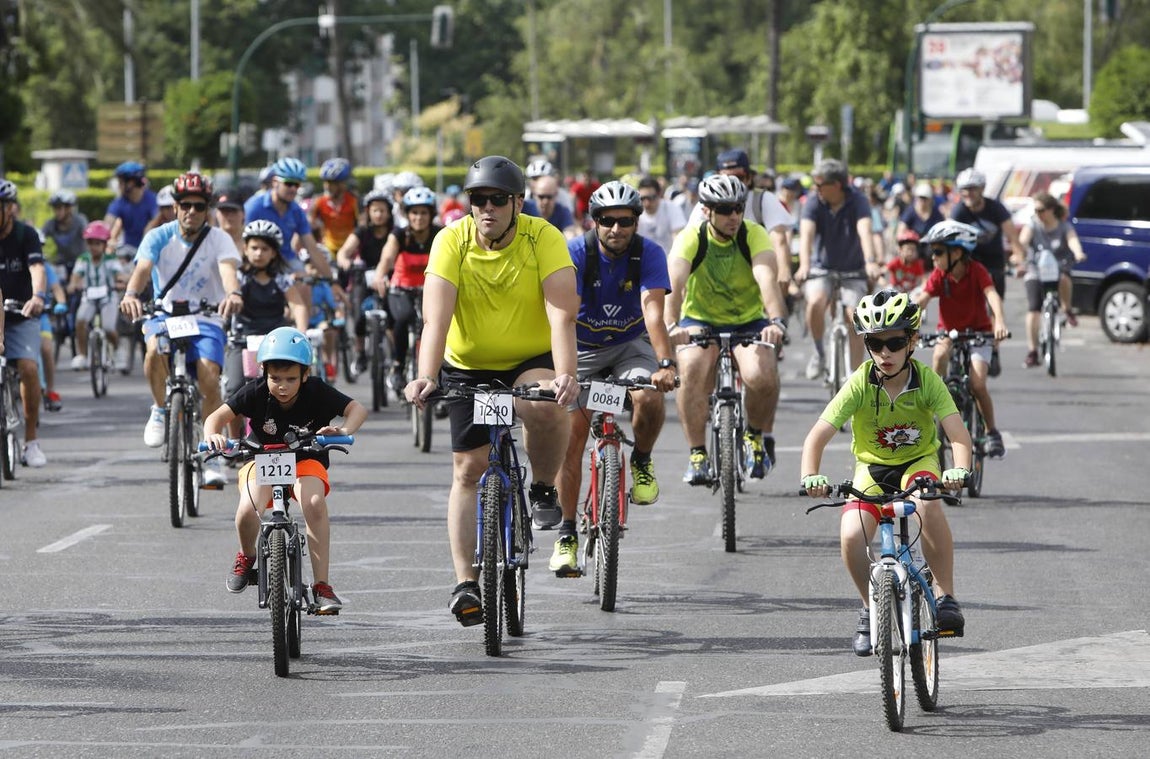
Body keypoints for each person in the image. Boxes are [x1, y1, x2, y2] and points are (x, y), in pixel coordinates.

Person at [403, 155, 579, 627]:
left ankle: (543, 487)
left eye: (497, 200)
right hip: (468, 368)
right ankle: (465, 583)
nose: (486, 208)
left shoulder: (544, 237)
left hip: (530, 359)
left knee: (539, 407)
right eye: (477, 199)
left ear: (517, 203)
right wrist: (426, 375)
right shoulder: (451, 241)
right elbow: (435, 320)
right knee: (468, 469)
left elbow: (561, 315)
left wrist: (565, 374)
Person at [800, 288, 970, 656]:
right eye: (875, 343)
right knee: (849, 536)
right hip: (872, 470)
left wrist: (959, 470)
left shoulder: (927, 381)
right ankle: (869, 608)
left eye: (894, 342)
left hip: (917, 464)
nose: (885, 353)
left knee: (926, 504)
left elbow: (958, 436)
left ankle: (945, 597)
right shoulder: (860, 382)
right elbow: (817, 436)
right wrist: (810, 475)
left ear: (912, 341)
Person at [551, 180, 678, 576]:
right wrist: (565, 374)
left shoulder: (649, 253)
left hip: (630, 345)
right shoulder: (575, 253)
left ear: (637, 222)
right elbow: (564, 317)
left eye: (625, 221)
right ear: (595, 221)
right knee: (570, 437)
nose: (616, 229)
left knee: (649, 397)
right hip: (582, 346)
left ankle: (641, 459)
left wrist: (665, 364)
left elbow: (653, 312)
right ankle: (567, 535)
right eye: (607, 220)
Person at [205, 326, 367, 613]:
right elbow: (216, 417)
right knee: (246, 510)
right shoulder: (255, 391)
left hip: (305, 458)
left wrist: (344, 429)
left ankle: (321, 586)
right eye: (275, 378)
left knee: (314, 504)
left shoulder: (317, 390)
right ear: (264, 372)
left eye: (291, 379)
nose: (282, 385)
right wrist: (213, 435)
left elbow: (357, 409)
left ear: (305, 374)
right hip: (261, 458)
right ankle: (247, 555)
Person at [119, 172, 244, 488]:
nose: (191, 211)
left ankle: (213, 455)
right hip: (165, 315)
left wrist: (233, 294)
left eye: (199, 206)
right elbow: (142, 271)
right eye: (185, 204)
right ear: (174, 207)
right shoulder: (158, 236)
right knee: (152, 352)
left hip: (206, 316)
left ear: (208, 209)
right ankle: (160, 410)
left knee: (208, 375)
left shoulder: (219, 239)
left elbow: (229, 272)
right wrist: (131, 295)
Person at [665, 174, 788, 484]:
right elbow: (674, 285)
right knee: (691, 367)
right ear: (706, 211)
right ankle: (697, 453)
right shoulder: (692, 238)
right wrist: (671, 325)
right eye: (725, 209)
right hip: (699, 320)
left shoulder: (753, 234)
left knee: (761, 373)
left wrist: (775, 320)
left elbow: (766, 279)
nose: (734, 216)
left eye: (738, 208)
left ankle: (754, 436)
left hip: (748, 320)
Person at [913, 220, 1009, 459]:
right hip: (949, 332)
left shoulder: (976, 271)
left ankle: (991, 431)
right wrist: (908, 324)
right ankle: (937, 401)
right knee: (939, 354)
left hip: (979, 333)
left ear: (956, 252)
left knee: (977, 384)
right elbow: (922, 300)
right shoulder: (939, 275)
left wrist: (999, 321)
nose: (932, 258)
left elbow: (992, 295)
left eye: (937, 252)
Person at [797, 159, 878, 381]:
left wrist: (871, 261)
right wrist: (804, 265)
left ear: (837, 185)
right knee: (815, 301)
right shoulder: (814, 202)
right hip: (821, 267)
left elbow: (865, 230)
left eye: (820, 184)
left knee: (855, 318)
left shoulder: (858, 200)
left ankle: (856, 377)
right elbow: (806, 236)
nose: (816, 188)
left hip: (853, 270)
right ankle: (819, 352)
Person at [223, 220, 310, 412]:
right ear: (245, 249)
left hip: (277, 345)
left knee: (290, 390)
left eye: (265, 249)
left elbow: (298, 306)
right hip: (241, 340)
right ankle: (232, 439)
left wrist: (302, 333)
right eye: (254, 248)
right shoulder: (238, 278)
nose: (259, 253)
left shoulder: (281, 279)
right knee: (234, 390)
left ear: (274, 253)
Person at [949, 168, 1025, 378]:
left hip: (993, 264)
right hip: (967, 264)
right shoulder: (959, 212)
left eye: (972, 190)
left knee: (994, 306)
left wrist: (1018, 258)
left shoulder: (995, 208)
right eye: (964, 191)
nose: (968, 195)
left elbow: (1012, 235)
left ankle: (994, 349)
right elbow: (949, 237)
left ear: (982, 189)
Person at [690, 149, 793, 293]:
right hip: (717, 279)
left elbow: (779, 238)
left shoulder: (763, 199)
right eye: (724, 210)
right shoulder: (706, 205)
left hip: (758, 275)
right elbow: (691, 241)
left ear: (749, 178)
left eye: (739, 176)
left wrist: (783, 271)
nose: (734, 182)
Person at [0, 178, 50, 466]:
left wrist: (38, 297)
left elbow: (36, 267)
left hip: (21, 315)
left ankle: (31, 441)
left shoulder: (25, 235)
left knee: (29, 368)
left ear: (8, 209)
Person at [375, 186, 442, 391]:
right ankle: (398, 365)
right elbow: (387, 256)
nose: (419, 217)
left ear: (431, 214)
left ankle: (437, 375)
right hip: (401, 288)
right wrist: (380, 274)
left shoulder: (440, 234)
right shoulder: (399, 235)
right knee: (403, 318)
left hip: (430, 290)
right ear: (407, 214)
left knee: (438, 324)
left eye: (423, 212)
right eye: (414, 212)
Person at [1019, 192, 1087, 367]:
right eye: (1035, 210)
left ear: (1051, 210)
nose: (1038, 214)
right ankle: (1032, 351)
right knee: (1034, 309)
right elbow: (1023, 241)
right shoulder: (1033, 225)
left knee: (1064, 278)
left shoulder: (1063, 227)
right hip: (1036, 269)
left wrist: (1078, 253)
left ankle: (1067, 309)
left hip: (1058, 268)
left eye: (1040, 210)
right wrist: (1019, 255)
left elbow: (1073, 241)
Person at [243, 158, 337, 281]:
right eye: (288, 183)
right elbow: (242, 243)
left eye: (297, 184)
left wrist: (331, 281)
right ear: (275, 182)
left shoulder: (297, 211)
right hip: (258, 260)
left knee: (306, 283)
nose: (293, 189)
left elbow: (312, 247)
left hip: (287, 261)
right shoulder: (254, 207)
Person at [337, 188, 394, 373]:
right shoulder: (361, 232)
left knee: (393, 314)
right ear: (368, 212)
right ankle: (360, 352)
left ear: (389, 212)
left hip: (389, 278)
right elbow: (343, 252)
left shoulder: (395, 233)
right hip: (363, 277)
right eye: (375, 210)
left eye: (382, 210)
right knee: (359, 315)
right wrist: (345, 261)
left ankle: (394, 357)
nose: (379, 214)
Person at [67, 221, 122, 371]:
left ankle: (117, 350)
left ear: (104, 245)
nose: (93, 247)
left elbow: (120, 276)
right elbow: (76, 277)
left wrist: (122, 282)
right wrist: (73, 285)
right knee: (80, 321)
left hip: (108, 297)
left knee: (109, 327)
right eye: (90, 243)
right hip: (89, 297)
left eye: (97, 243)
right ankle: (83, 355)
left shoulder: (111, 259)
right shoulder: (83, 259)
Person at [308, 157, 360, 255]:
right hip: (329, 249)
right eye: (326, 182)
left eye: (332, 183)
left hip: (352, 249)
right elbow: (308, 225)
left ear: (343, 184)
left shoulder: (354, 201)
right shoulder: (319, 202)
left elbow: (362, 227)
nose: (327, 186)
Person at [104, 161, 159, 250]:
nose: (118, 186)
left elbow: (156, 221)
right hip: (128, 252)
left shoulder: (152, 200)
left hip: (151, 248)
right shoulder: (120, 202)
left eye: (121, 182)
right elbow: (107, 225)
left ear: (131, 183)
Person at [897, 182, 945, 272]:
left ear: (931, 199)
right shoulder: (910, 211)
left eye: (925, 198)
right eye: (920, 198)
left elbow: (942, 229)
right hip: (913, 244)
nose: (922, 201)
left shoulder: (936, 213)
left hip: (930, 246)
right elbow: (901, 229)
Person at [40, 190, 88, 277]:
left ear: (69, 209)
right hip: (61, 265)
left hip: (81, 263)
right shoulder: (51, 224)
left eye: (59, 208)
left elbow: (88, 239)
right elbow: (39, 237)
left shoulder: (80, 221)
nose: (56, 212)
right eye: (54, 208)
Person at [636, 176, 687, 258]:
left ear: (659, 194)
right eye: (643, 198)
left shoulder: (671, 208)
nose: (647, 203)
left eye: (651, 198)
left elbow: (678, 238)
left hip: (668, 260)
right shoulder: (636, 212)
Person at [528, 173, 580, 238]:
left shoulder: (563, 212)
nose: (545, 201)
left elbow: (569, 234)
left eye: (549, 197)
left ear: (556, 195)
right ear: (534, 195)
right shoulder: (525, 208)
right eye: (541, 197)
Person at [883, 229, 926, 293]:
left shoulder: (918, 264)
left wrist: (920, 290)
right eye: (908, 249)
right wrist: (886, 285)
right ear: (900, 250)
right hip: (895, 291)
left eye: (913, 250)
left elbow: (924, 280)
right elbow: (881, 273)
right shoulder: (895, 262)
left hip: (910, 293)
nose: (910, 253)